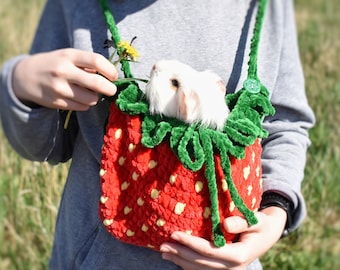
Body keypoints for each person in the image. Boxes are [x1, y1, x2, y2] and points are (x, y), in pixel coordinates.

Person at [0, 0, 315, 269]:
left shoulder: (265, 7)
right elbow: (48, 146)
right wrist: (22, 87)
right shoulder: (75, 6)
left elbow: (284, 122)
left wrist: (275, 212)